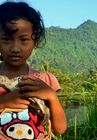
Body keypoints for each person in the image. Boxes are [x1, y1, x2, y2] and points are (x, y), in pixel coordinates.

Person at [0, 1, 67, 140]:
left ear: (35, 42)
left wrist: (51, 96)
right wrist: (3, 103)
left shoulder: (45, 80)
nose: (15, 48)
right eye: (6, 39)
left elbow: (60, 129)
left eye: (23, 40)